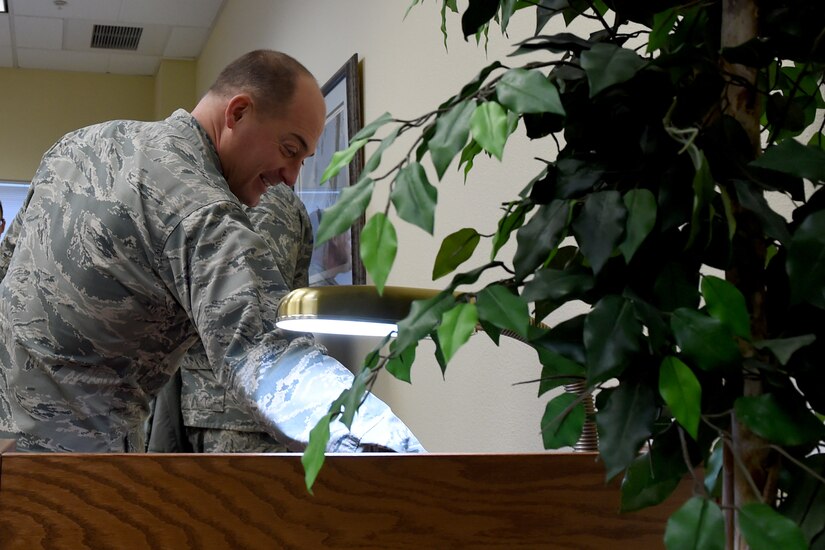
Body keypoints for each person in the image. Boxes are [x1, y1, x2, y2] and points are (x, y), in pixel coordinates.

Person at [0, 49, 424, 454]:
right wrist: (408, 457)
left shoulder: (76, 146)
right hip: (69, 464)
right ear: (237, 113)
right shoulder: (198, 209)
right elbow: (269, 356)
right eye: (290, 149)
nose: (293, 177)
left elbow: (6, 268)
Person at [148, 181, 312, 453]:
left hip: (236, 416)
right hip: (224, 409)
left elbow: (251, 315)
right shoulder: (219, 192)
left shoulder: (261, 200)